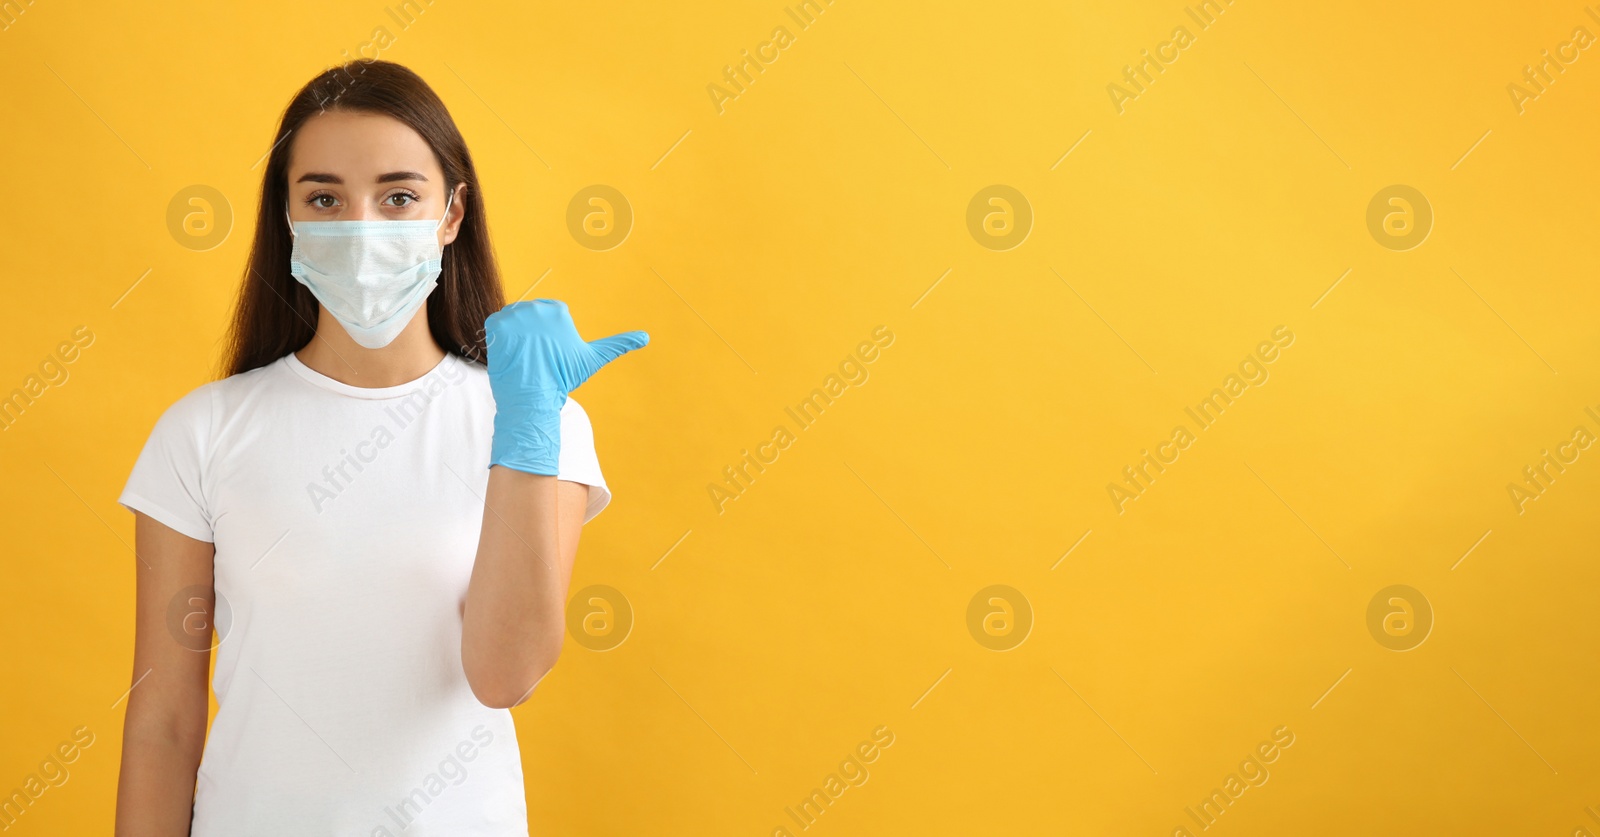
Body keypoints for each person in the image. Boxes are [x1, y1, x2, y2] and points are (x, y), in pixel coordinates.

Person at [112, 59, 647, 836]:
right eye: (325, 198)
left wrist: (528, 422)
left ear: (453, 212)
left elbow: (505, 673)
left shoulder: (538, 422)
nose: (361, 226)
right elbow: (163, 719)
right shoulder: (201, 433)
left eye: (399, 197)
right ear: (287, 216)